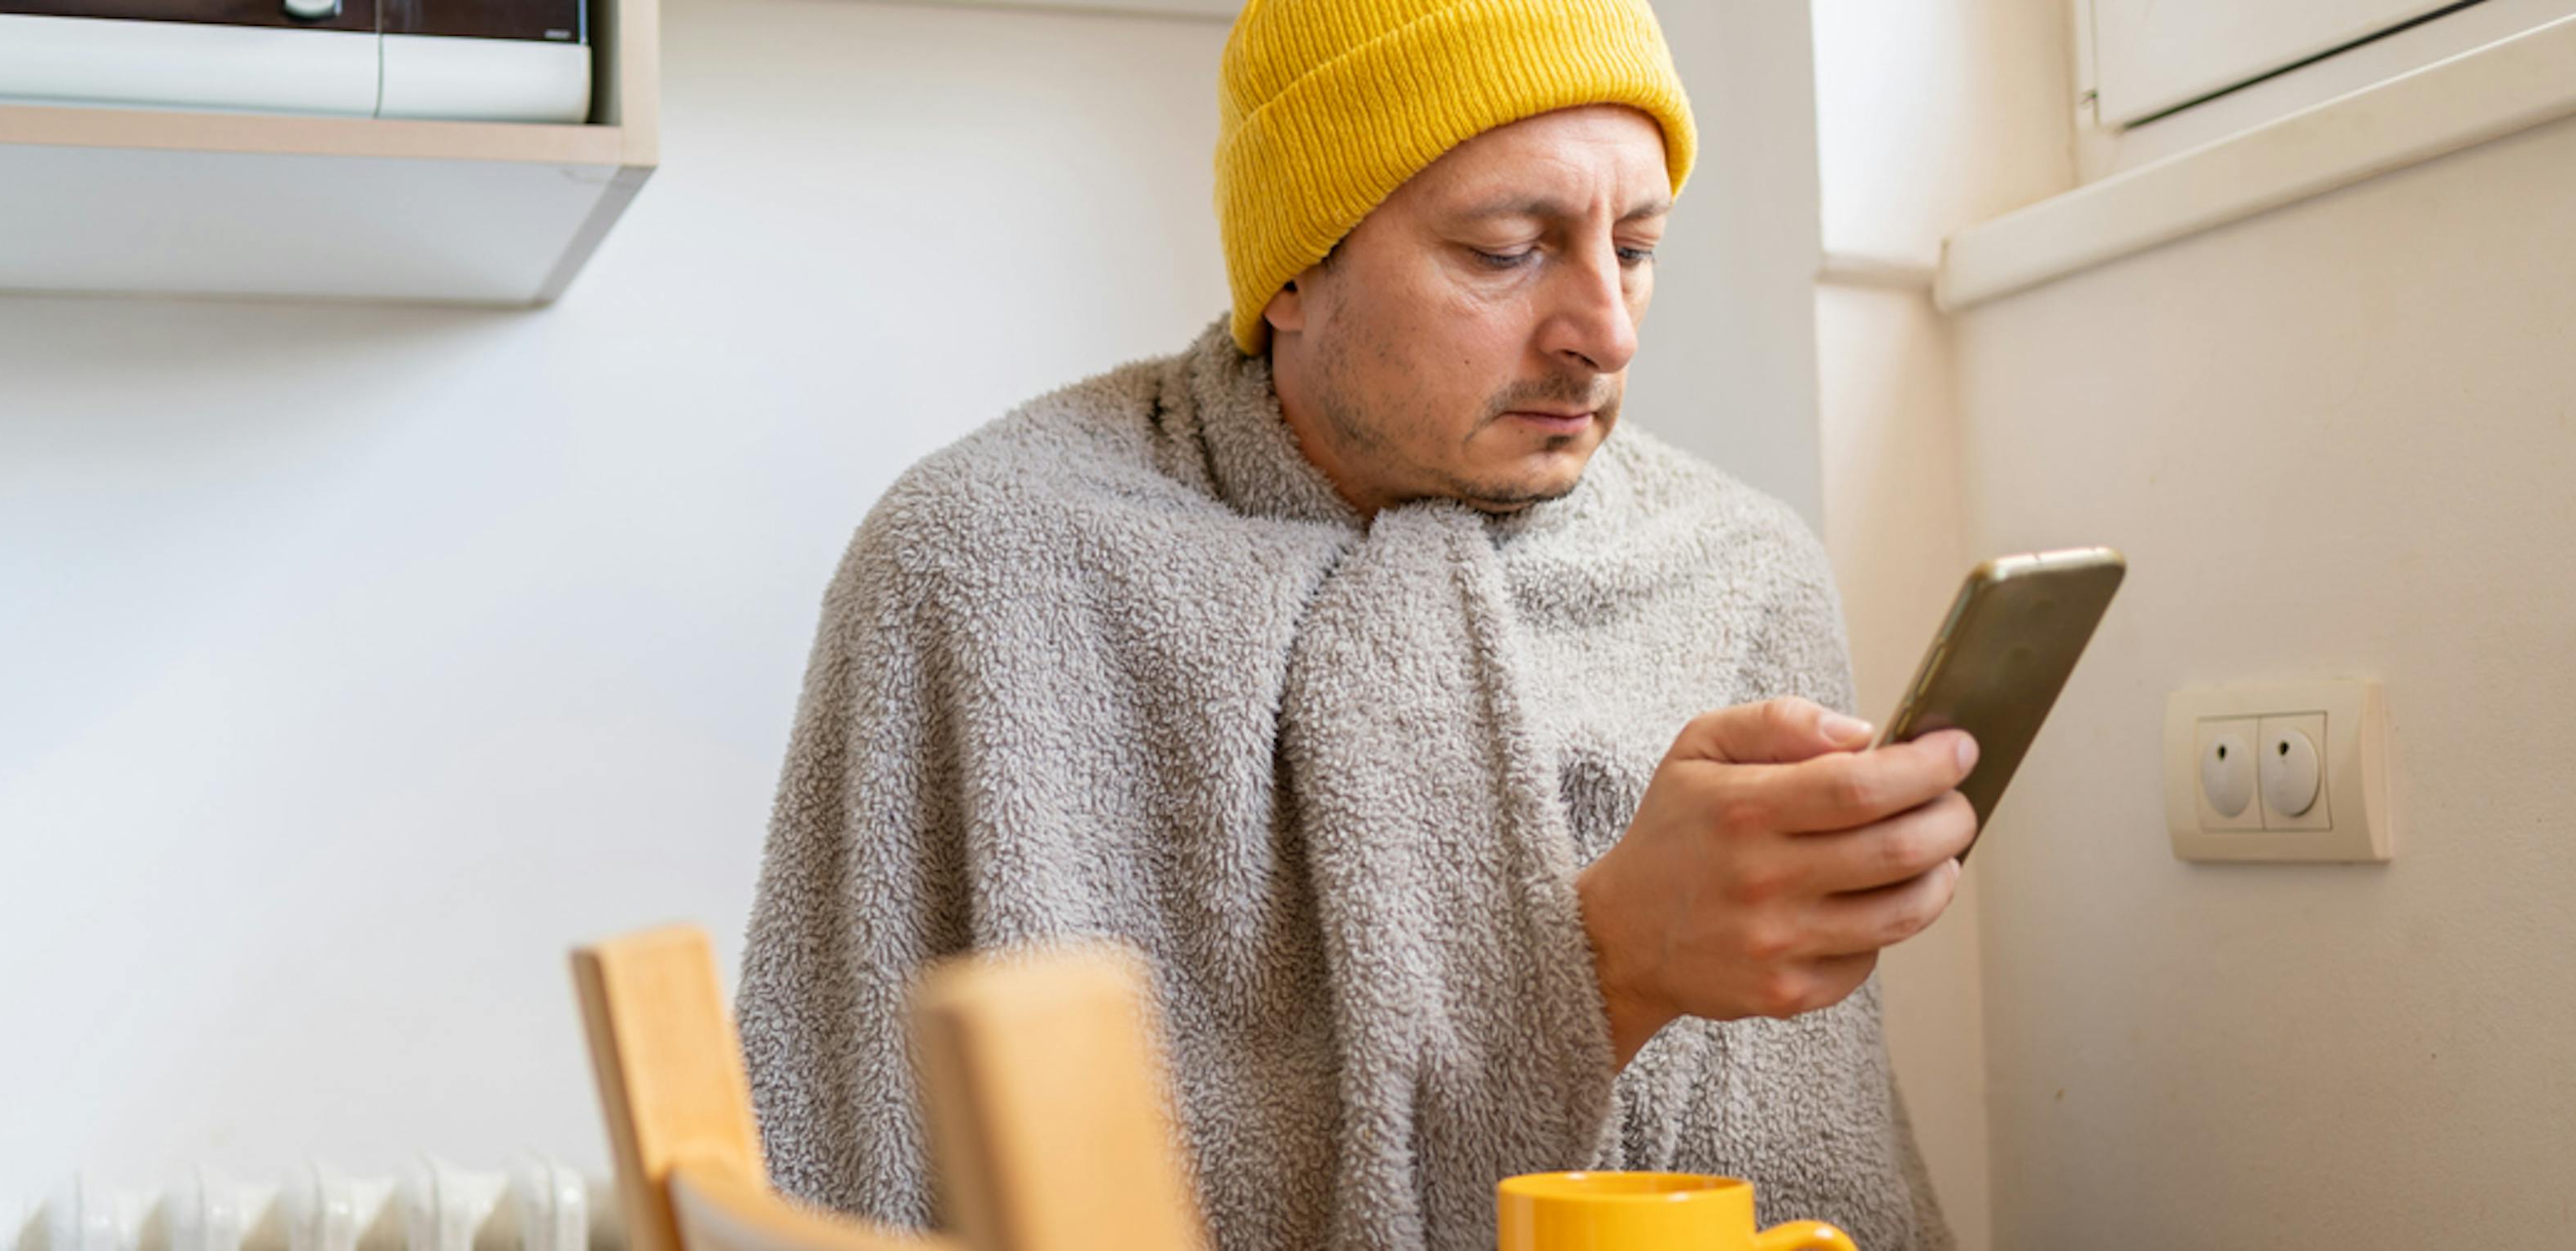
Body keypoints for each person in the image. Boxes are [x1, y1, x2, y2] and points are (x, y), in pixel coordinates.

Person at [733, 0, 1974, 1245]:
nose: (1604, 331)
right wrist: (1606, 962)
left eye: (1637, 246)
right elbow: (841, 1167)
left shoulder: (1737, 573)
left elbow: (1817, 1177)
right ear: (1291, 268)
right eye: (1504, 250)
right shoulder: (980, 570)